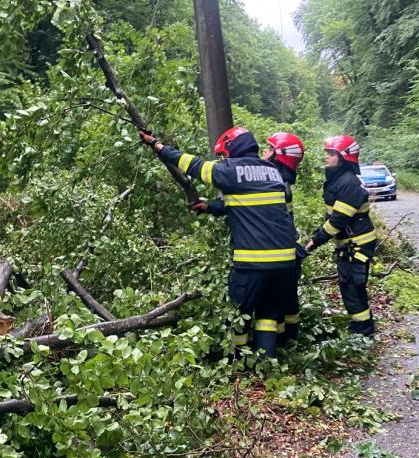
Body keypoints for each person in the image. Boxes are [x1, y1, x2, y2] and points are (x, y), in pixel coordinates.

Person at [139, 126, 299, 358]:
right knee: (268, 314)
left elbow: (192, 165)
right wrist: (209, 208)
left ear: (234, 149)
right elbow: (245, 203)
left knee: (238, 314)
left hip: (253, 262)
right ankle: (266, 363)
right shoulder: (272, 171)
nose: (224, 159)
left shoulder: (231, 171)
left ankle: (236, 362)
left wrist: (156, 145)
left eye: (225, 154)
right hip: (285, 262)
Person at [303, 135, 377, 336]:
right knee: (349, 287)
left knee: (353, 289)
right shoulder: (339, 180)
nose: (326, 157)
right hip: (349, 245)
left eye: (331, 153)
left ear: (344, 158)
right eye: (327, 153)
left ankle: (363, 332)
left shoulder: (348, 184)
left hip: (357, 246)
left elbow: (337, 222)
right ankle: (360, 329)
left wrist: (312, 243)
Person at [263, 131, 305, 345]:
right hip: (289, 248)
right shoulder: (283, 180)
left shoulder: (274, 182)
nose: (264, 152)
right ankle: (290, 340)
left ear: (279, 155)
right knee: (288, 297)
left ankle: (279, 343)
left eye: (270, 148)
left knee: (275, 300)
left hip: (277, 250)